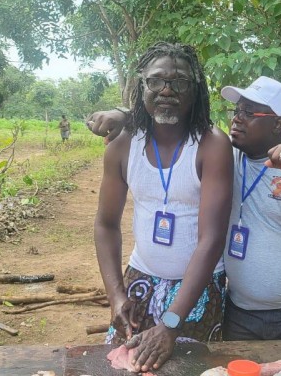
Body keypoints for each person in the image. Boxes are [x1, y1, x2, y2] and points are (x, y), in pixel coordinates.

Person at [88, 75, 281, 344]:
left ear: (277, 124)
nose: (237, 118)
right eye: (237, 110)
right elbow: (173, 118)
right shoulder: (224, 156)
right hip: (237, 307)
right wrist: (125, 113)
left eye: (249, 113)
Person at [94, 42, 233, 373]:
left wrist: (171, 322)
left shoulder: (212, 145)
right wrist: (116, 296)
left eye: (179, 82)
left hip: (197, 293)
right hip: (139, 283)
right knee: (123, 366)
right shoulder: (124, 145)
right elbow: (105, 224)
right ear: (143, 85)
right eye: (156, 80)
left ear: (195, 89)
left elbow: (212, 239)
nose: (166, 90)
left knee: (192, 370)